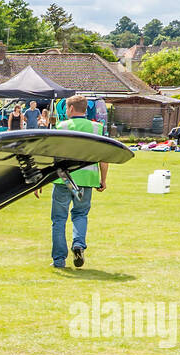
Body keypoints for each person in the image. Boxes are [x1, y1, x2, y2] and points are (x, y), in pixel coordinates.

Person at [51, 94, 108, 270]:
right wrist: (103, 179)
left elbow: (50, 155)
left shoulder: (61, 126)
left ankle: (59, 260)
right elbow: (104, 157)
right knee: (80, 215)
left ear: (70, 109)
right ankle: (78, 244)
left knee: (59, 219)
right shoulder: (97, 128)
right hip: (86, 180)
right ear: (85, 109)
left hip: (63, 179)